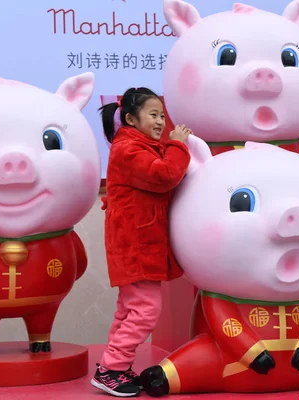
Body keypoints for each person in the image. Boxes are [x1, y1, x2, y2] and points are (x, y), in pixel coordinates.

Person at [90, 87, 192, 397]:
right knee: (146, 309)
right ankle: (112, 369)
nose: (161, 121)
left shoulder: (138, 145)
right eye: (153, 115)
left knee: (129, 310)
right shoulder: (129, 149)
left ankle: (115, 365)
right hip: (134, 244)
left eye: (162, 115)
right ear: (131, 118)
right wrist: (177, 145)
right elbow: (164, 175)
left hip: (137, 242)